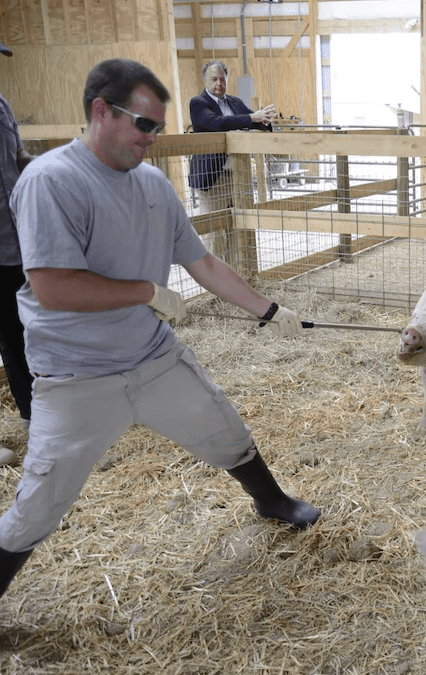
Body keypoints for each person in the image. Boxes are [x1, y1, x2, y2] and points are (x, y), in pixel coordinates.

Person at [0, 58, 319, 599]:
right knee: (39, 503)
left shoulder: (151, 184)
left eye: (158, 127)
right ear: (101, 111)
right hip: (77, 376)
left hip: (151, 358)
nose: (152, 138)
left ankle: (272, 500)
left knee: (225, 428)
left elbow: (203, 263)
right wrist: (147, 292)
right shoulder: (51, 181)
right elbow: (54, 288)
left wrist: (267, 309)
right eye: (143, 124)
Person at [0, 40, 34, 467]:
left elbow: (17, 157)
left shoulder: (2, 104)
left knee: (19, 331)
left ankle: (33, 415)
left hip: (11, 241)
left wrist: (53, 165)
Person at [187, 60, 275, 213]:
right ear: (205, 81)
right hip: (213, 177)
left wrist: (265, 121)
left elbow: (253, 120)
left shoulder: (235, 102)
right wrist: (252, 117)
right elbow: (218, 123)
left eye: (222, 79)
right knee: (215, 232)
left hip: (239, 174)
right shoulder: (198, 103)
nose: (219, 83)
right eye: (214, 79)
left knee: (241, 228)